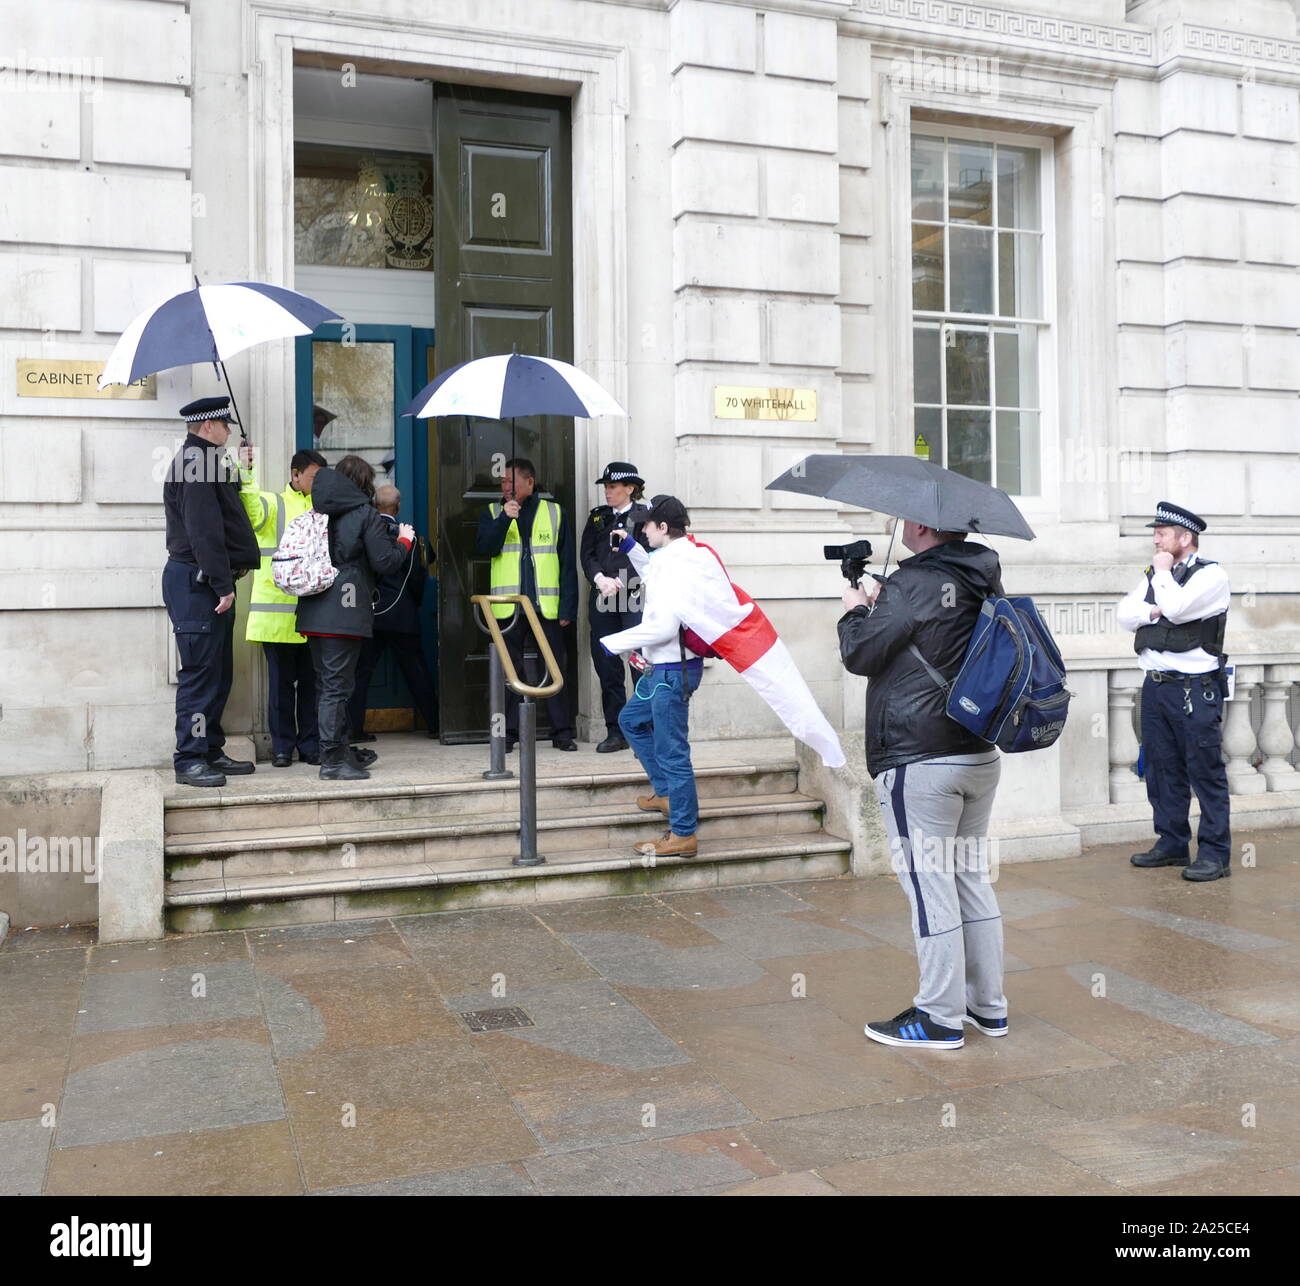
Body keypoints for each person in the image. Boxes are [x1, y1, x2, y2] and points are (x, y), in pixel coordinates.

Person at [839, 520, 1007, 1050]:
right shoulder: (983, 575)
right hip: (977, 752)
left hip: (920, 759)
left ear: (924, 525)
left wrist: (853, 609)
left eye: (906, 519)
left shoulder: (912, 583)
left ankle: (938, 1017)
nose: (900, 526)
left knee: (930, 886)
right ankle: (988, 1007)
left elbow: (861, 654)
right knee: (969, 881)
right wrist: (884, 600)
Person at [1117, 502, 1232, 882]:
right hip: (1157, 688)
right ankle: (1172, 842)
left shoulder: (1211, 576)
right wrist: (1153, 611)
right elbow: (1125, 613)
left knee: (1205, 771)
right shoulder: (1155, 574)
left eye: (1163, 533)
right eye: (1156, 532)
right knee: (1162, 769)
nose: (1155, 538)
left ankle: (1215, 853)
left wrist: (1162, 584)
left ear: (1186, 538)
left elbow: (1178, 610)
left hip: (1195, 690)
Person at [599, 496, 717, 859]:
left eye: (646, 526)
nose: (643, 530)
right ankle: (665, 793)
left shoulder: (675, 565)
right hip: (662, 669)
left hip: (670, 671)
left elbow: (664, 625)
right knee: (631, 721)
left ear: (663, 528)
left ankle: (683, 832)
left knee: (673, 753)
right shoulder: (678, 555)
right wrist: (633, 546)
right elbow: (650, 568)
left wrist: (612, 643)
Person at [162, 396, 262, 787]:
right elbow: (204, 530)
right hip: (198, 583)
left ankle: (208, 749)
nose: (229, 430)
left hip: (206, 582)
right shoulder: (197, 464)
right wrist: (222, 584)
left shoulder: (206, 461)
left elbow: (225, 509)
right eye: (226, 425)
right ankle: (189, 759)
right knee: (201, 675)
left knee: (218, 674)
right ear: (208, 426)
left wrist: (242, 465)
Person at [295, 454, 415, 781]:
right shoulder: (366, 515)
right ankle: (333, 761)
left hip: (313, 611)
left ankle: (339, 750)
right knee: (337, 688)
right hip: (343, 615)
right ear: (364, 486)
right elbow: (385, 562)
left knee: (326, 686)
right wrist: (404, 541)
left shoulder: (317, 513)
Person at [475, 458, 579, 751]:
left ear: (529, 482)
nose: (504, 486)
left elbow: (567, 564)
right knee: (509, 670)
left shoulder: (555, 512)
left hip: (545, 606)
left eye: (510, 481)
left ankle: (562, 732)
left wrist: (567, 609)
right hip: (508, 607)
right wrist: (504, 519)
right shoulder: (493, 512)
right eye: (503, 482)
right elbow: (484, 548)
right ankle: (508, 733)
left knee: (555, 667)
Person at [238, 445, 325, 767]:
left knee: (312, 687)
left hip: (312, 613)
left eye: (321, 478)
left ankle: (310, 746)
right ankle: (282, 748)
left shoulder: (322, 507)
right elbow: (250, 507)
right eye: (313, 477)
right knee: (281, 688)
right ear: (295, 474)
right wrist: (246, 470)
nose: (316, 483)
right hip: (277, 616)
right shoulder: (274, 503)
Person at [348, 484, 439, 740]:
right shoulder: (410, 535)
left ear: (374, 505)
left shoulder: (365, 532)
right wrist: (414, 604)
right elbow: (421, 571)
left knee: (361, 672)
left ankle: (354, 729)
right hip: (402, 614)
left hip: (370, 614)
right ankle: (435, 724)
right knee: (416, 670)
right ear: (397, 507)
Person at [581, 462, 652, 753]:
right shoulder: (598, 518)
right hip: (603, 594)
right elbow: (587, 555)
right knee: (606, 664)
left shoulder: (647, 516)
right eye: (606, 487)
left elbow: (651, 555)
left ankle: (643, 730)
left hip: (633, 593)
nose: (607, 492)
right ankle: (616, 730)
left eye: (612, 487)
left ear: (629, 488)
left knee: (640, 663)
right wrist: (600, 579)